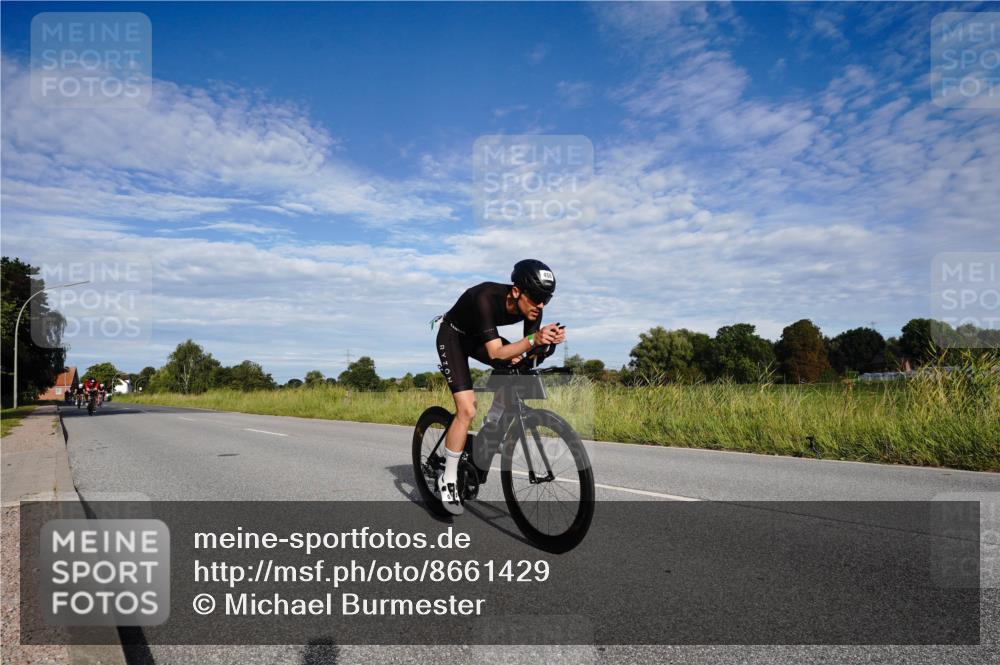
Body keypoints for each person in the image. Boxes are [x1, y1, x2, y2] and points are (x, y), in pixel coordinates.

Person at [433, 259, 566, 515]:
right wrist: (532, 340)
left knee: (518, 368)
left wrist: (548, 344)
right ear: (516, 292)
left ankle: (490, 426)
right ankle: (447, 479)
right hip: (453, 337)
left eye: (546, 300)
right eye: (536, 297)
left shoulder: (534, 309)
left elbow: (530, 356)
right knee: (467, 409)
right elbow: (496, 353)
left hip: (480, 338)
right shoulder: (485, 296)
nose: (540, 305)